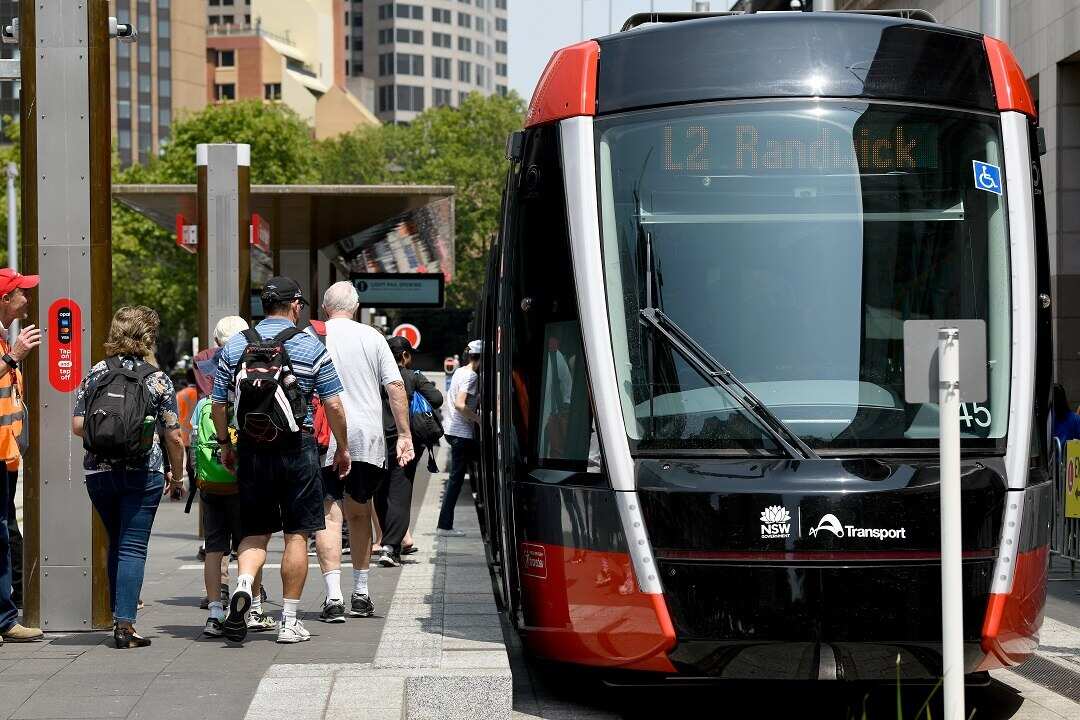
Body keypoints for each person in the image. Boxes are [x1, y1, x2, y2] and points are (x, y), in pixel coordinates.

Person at [212, 276, 352, 644]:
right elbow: (334, 404)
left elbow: (218, 404)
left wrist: (227, 443)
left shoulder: (235, 347)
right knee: (296, 535)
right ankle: (288, 621)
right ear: (295, 305)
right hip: (297, 448)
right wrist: (343, 446)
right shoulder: (310, 345)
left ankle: (244, 586)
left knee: (254, 531)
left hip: (252, 450)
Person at [71, 306, 186, 649]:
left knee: (116, 540)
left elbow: (78, 425)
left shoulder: (96, 373)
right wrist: (177, 477)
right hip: (142, 471)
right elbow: (174, 436)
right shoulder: (157, 379)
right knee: (133, 546)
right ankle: (125, 624)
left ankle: (116, 616)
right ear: (149, 336)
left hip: (99, 473)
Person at [312, 282, 413, 622]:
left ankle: (333, 597)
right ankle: (361, 592)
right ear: (355, 307)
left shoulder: (313, 336)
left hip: (325, 436)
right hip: (367, 437)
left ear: (326, 308)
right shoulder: (373, 338)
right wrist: (404, 434)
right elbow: (395, 386)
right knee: (360, 511)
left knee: (328, 514)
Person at [196, 316, 276, 638]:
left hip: (212, 481)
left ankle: (215, 613)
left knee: (214, 546)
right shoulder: (252, 380)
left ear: (216, 342)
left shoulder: (206, 385)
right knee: (250, 541)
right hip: (243, 479)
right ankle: (254, 608)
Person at [0, 269, 43, 645]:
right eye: (20, 293)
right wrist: (14, 357)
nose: (27, 299)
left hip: (7, 453)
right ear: (4, 300)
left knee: (3, 530)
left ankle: (5, 617)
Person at [374, 336, 443, 566]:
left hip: (378, 439)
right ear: (405, 355)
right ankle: (391, 547)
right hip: (405, 440)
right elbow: (437, 398)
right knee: (400, 492)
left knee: (380, 492)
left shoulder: (376, 376)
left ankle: (387, 540)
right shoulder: (412, 376)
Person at [438, 340, 482, 536]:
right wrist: (479, 419)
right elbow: (460, 404)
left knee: (459, 477)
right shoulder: (472, 376)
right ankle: (444, 525)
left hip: (451, 430)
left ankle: (445, 524)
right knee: (456, 479)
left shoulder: (460, 371)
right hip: (461, 433)